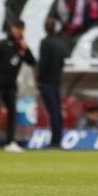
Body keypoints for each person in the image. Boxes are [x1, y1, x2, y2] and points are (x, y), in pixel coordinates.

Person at [0, 19, 36, 152]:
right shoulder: (2, 44)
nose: (18, 31)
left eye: (21, 29)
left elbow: (32, 61)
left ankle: (10, 142)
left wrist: (26, 48)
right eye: (16, 28)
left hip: (11, 85)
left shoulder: (21, 47)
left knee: (12, 112)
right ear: (12, 29)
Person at [38, 17, 69, 149]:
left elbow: (43, 63)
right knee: (56, 110)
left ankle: (54, 142)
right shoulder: (60, 44)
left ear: (45, 28)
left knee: (52, 112)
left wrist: (39, 78)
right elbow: (63, 61)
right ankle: (58, 139)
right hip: (56, 81)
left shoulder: (45, 43)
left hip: (46, 81)